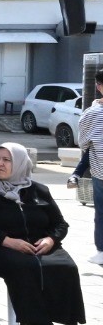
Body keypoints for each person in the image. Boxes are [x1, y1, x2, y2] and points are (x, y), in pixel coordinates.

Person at [0, 143, 85, 325]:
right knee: (23, 266)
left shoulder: (39, 190)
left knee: (65, 266)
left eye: (7, 160)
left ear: (20, 163)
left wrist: (50, 240)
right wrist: (8, 241)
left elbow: (60, 224)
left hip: (39, 246)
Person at [76, 70, 103, 264]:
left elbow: (83, 143)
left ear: (99, 86)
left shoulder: (92, 114)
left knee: (101, 212)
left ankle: (101, 251)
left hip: (100, 171)